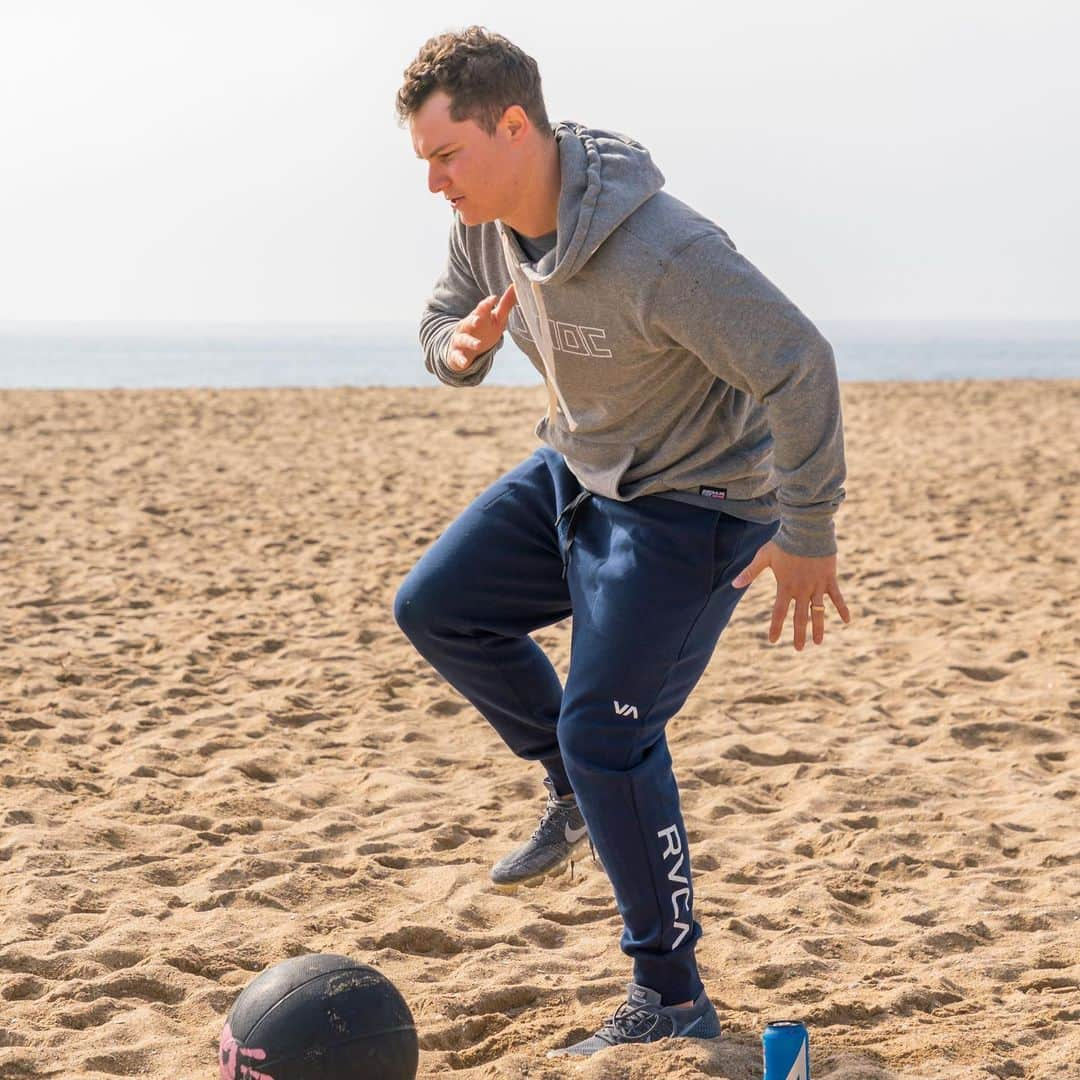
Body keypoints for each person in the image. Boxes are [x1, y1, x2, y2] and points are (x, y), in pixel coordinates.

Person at [392, 26, 850, 1060]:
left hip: (700, 504)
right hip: (579, 468)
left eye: (446, 155)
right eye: (423, 162)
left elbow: (799, 362)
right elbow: (442, 313)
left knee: (610, 733)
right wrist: (453, 350)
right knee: (436, 607)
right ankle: (566, 790)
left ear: (515, 126)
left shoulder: (664, 252)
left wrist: (810, 531)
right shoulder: (487, 222)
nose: (435, 184)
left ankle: (671, 993)